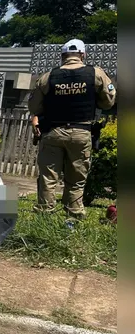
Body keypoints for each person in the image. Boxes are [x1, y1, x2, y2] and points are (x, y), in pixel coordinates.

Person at [28, 38, 116, 220]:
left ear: (62, 56)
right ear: (83, 55)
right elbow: (108, 102)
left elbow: (34, 107)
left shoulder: (48, 76)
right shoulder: (96, 74)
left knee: (48, 177)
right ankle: (74, 217)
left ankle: (44, 216)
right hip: (81, 133)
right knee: (76, 179)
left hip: (52, 133)